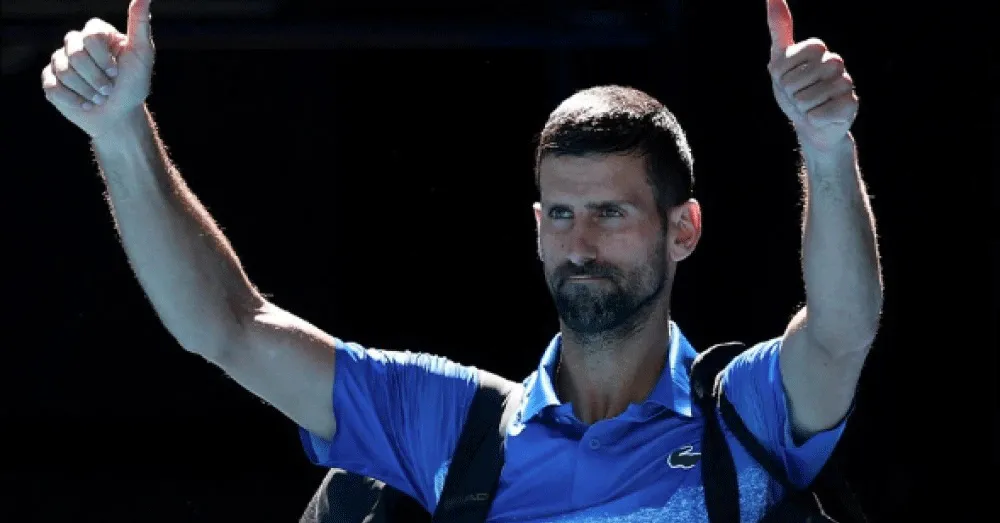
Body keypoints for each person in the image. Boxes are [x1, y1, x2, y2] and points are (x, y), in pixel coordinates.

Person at [42, 0, 883, 521]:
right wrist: (119, 133)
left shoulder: (743, 417)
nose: (580, 243)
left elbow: (842, 330)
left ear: (684, 229)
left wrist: (824, 146)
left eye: (612, 213)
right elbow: (228, 327)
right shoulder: (449, 426)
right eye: (560, 213)